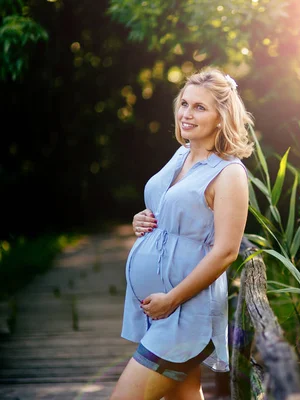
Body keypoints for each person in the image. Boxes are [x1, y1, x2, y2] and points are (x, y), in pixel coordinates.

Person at [110, 66, 254, 400]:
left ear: (221, 117)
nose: (186, 114)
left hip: (185, 315)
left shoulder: (229, 173)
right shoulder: (182, 154)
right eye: (185, 104)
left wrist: (171, 299)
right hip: (161, 313)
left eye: (200, 107)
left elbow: (226, 251)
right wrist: (141, 220)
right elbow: (168, 211)